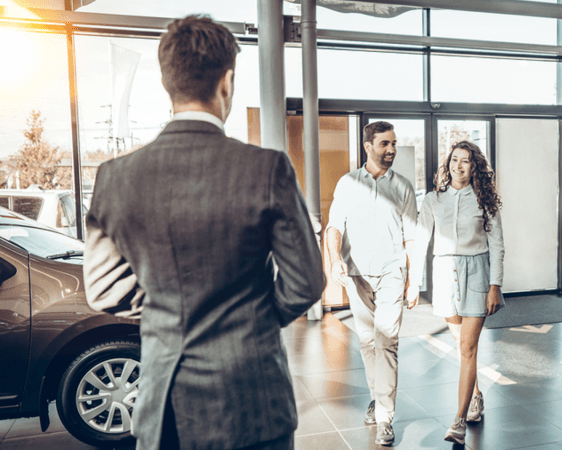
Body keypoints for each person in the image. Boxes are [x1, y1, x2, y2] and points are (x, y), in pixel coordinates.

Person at [83, 15, 325, 450]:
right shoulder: (266, 169)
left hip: (164, 410)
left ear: (165, 82)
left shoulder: (114, 177)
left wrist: (168, 315)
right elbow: (306, 281)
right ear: (227, 81)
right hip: (253, 399)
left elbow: (102, 289)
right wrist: (250, 320)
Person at [407, 140, 505, 445]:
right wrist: (413, 283)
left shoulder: (486, 201)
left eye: (465, 161)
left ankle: (459, 419)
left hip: (477, 272)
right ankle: (476, 395)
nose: (458, 166)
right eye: (454, 160)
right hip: (443, 273)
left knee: (467, 350)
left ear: (474, 166)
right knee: (461, 345)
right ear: (447, 164)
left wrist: (495, 286)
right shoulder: (433, 200)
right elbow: (420, 242)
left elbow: (498, 246)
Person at [326, 121, 417, 446]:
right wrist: (335, 260)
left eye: (393, 143)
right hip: (357, 274)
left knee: (387, 342)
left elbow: (411, 238)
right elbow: (334, 227)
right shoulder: (348, 183)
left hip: (393, 273)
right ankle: (378, 399)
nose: (391, 150)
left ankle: (385, 417)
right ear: (368, 146)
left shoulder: (403, 187)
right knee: (367, 343)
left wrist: (414, 280)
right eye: (384, 144)